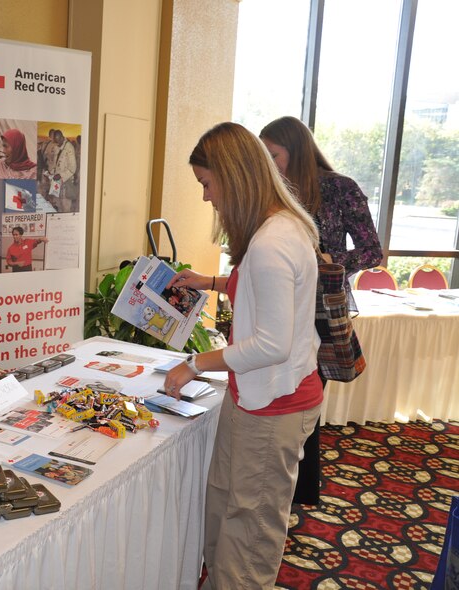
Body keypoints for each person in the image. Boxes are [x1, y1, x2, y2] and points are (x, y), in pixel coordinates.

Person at [163, 122, 322, 589]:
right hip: (255, 397)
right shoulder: (275, 229)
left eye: (207, 185)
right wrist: (209, 283)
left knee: (247, 539)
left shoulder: (272, 242)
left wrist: (194, 364)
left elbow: (271, 344)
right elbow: (262, 293)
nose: (207, 198)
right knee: (225, 511)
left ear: (232, 176)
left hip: (274, 405)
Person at [260, 115, 383, 506]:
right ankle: (285, 488)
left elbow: (372, 250)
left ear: (295, 150)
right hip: (278, 302)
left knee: (303, 403)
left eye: (273, 154)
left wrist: (331, 259)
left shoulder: (340, 188)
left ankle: (297, 493)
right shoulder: (273, 190)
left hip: (322, 309)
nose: (269, 162)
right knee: (280, 399)